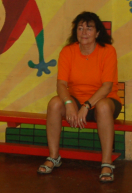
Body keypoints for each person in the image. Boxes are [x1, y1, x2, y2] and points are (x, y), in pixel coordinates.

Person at [38, 11, 122, 182]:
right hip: (76, 100)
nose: (84, 32)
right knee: (54, 103)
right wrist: (69, 103)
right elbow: (61, 85)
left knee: (103, 106)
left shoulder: (108, 51)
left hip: (105, 101)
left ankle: (107, 162)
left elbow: (107, 87)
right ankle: (54, 157)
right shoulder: (68, 51)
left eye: (89, 28)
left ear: (97, 33)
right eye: (80, 28)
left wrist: (86, 106)